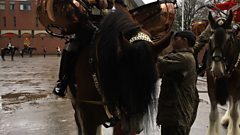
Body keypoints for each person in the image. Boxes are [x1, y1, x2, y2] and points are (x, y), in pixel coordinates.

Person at [52, 0, 126, 97]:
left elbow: (115, 4)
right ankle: (63, 81)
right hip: (84, 24)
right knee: (71, 47)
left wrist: (107, 4)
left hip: (104, 23)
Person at [156, 30, 199, 135]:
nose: (173, 42)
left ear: (184, 41)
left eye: (175, 39)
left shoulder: (184, 58)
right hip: (172, 116)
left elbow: (161, 63)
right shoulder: (183, 56)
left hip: (177, 116)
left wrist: (148, 51)